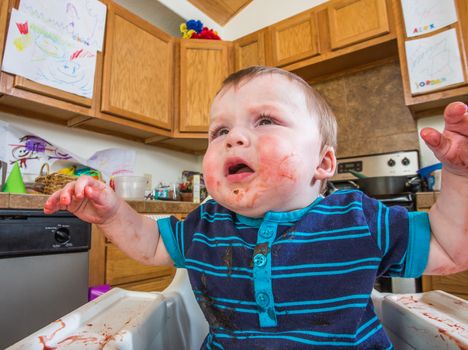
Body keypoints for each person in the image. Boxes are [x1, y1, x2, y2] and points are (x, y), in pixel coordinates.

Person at [44, 66, 468, 349]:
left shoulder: (359, 220)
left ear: (322, 163)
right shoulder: (206, 224)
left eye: (264, 120)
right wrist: (115, 214)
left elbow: (450, 250)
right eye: (220, 130)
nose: (234, 137)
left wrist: (461, 177)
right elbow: (151, 244)